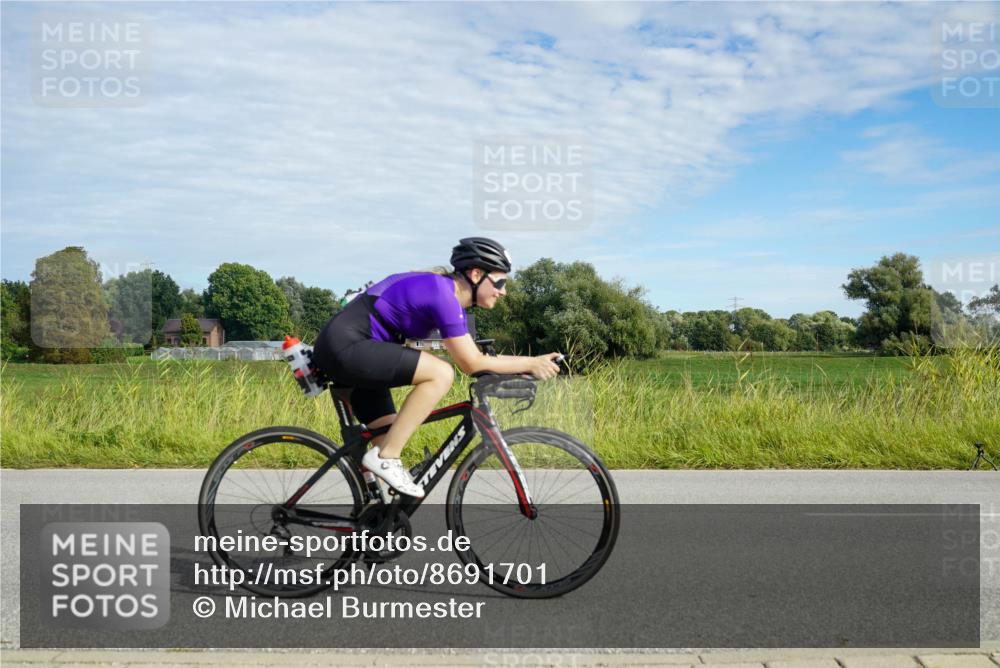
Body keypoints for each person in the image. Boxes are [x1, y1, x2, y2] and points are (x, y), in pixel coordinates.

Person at [311, 237, 562, 498]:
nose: (503, 291)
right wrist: (531, 363)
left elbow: (475, 357)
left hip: (357, 350)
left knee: (389, 433)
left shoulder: (446, 296)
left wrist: (531, 364)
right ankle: (387, 456)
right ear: (476, 274)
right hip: (347, 346)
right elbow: (471, 363)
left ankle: (374, 521)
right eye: (499, 282)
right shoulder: (443, 295)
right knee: (441, 373)